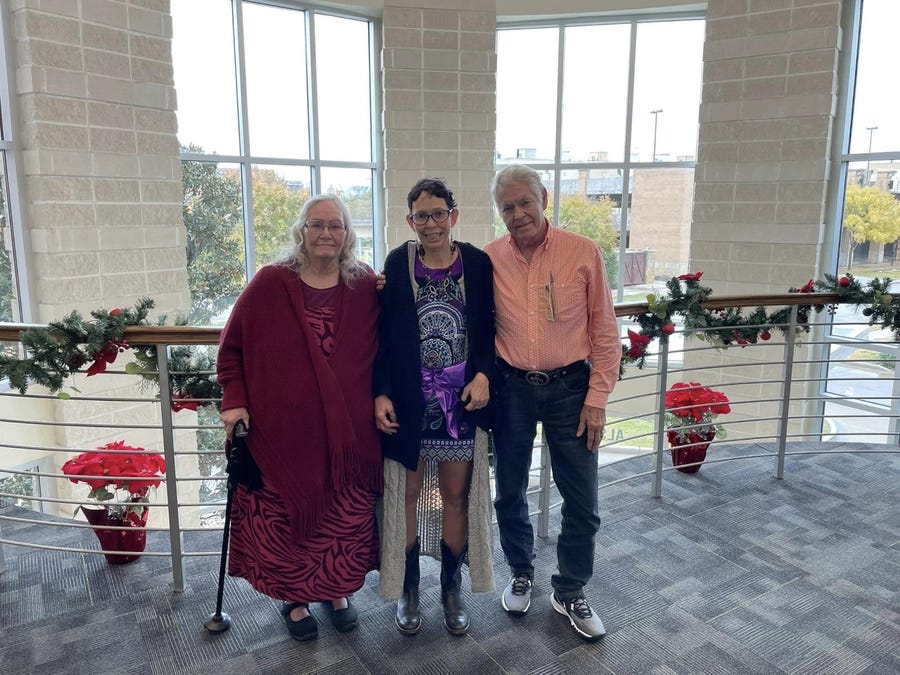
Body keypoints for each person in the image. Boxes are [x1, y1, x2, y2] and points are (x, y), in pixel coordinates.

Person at [217, 194, 382, 642]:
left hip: (349, 436)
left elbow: (393, 339)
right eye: (317, 225)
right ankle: (296, 600)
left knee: (343, 518)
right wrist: (234, 403)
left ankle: (337, 591)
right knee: (290, 517)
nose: (326, 233)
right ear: (301, 232)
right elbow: (231, 348)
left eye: (336, 225)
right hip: (283, 434)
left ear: (347, 235)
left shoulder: (365, 284)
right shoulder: (271, 282)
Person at [484, 165, 620, 641]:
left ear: (543, 197)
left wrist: (597, 398)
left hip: (572, 390)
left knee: (582, 499)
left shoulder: (582, 251)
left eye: (525, 202)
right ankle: (521, 570)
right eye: (507, 207)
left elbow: (605, 331)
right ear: (499, 212)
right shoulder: (490, 259)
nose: (518, 214)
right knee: (509, 491)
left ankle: (570, 588)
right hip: (512, 389)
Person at [374, 178, 495, 636]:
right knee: (404, 499)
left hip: (459, 406)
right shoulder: (397, 263)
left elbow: (490, 327)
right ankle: (408, 588)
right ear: (410, 221)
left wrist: (484, 373)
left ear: (453, 215)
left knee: (456, 498)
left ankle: (450, 587)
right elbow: (382, 335)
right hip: (409, 405)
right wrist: (380, 391)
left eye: (438, 213)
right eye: (421, 216)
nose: (430, 224)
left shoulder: (478, 264)